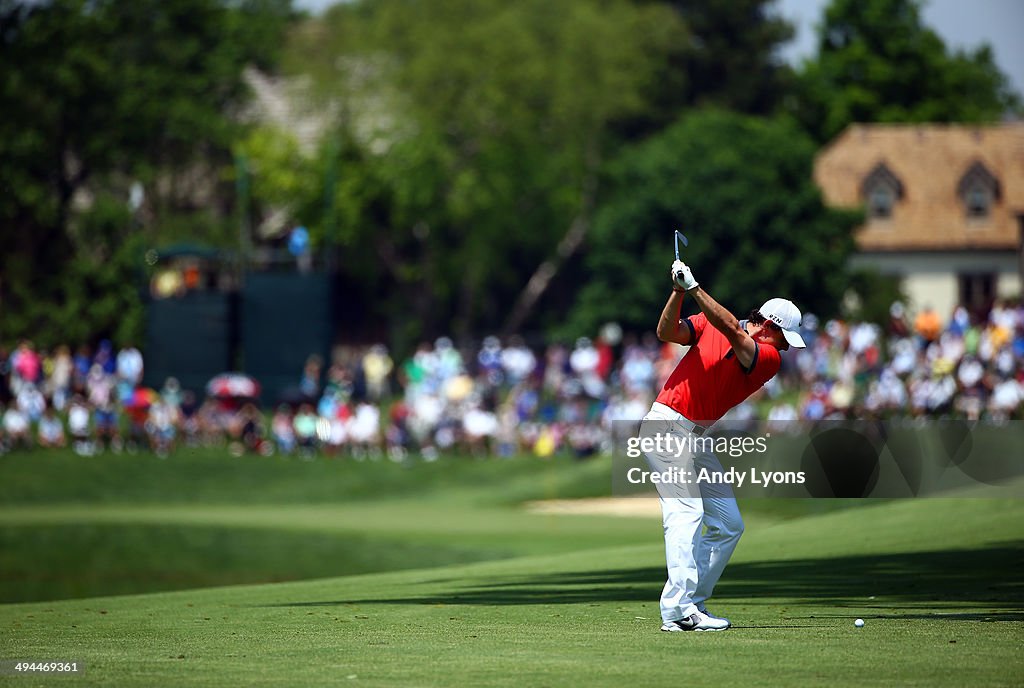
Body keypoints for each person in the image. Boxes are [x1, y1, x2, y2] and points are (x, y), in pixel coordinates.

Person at [642, 257, 806, 633]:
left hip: (693, 437)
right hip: (666, 426)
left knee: (728, 524)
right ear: (768, 326)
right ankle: (679, 610)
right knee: (686, 513)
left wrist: (695, 286)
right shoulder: (712, 325)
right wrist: (678, 292)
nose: (784, 348)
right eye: (783, 339)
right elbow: (667, 331)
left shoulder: (766, 359)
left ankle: (693, 601)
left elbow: (732, 329)